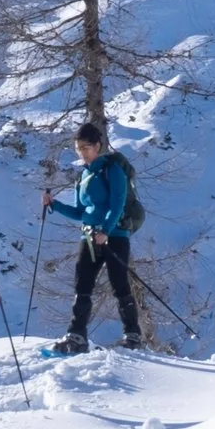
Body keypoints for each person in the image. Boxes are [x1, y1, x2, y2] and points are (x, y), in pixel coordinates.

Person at [42, 121, 142, 355]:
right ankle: (76, 335)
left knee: (119, 283)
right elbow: (81, 212)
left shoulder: (112, 170)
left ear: (97, 146)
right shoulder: (83, 176)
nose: (82, 153)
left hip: (115, 235)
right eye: (79, 148)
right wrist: (54, 205)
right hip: (89, 235)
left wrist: (105, 230)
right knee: (82, 283)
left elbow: (117, 204)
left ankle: (132, 335)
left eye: (86, 147)